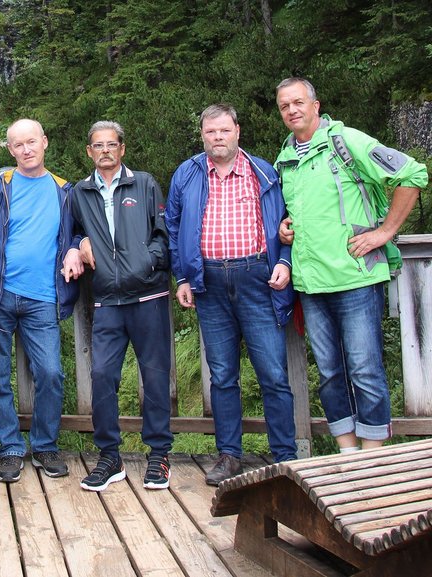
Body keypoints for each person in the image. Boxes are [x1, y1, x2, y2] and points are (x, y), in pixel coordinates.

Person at [275, 77, 428, 453]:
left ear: (315, 104)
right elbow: (298, 211)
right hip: (311, 284)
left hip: (356, 278)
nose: (292, 110)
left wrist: (385, 232)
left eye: (298, 102)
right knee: (329, 374)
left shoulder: (348, 142)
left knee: (365, 371)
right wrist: (284, 228)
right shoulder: (285, 159)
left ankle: (372, 457)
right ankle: (346, 451)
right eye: (284, 106)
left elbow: (412, 174)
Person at [165, 105, 298, 486]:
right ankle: (228, 455)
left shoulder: (263, 172)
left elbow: (289, 220)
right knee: (222, 375)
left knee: (273, 372)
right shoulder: (187, 174)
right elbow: (173, 229)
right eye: (210, 132)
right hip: (209, 283)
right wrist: (183, 278)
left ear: (237, 130)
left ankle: (285, 457)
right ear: (203, 135)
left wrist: (285, 260)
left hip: (258, 277)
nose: (217, 137)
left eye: (224, 130)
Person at [0, 119, 80, 483]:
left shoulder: (65, 191)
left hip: (43, 297)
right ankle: (11, 447)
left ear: (44, 142)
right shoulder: (0, 187)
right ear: (10, 150)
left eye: (32, 142)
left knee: (50, 372)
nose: (26, 149)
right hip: (0, 297)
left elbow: (80, 230)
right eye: (18, 145)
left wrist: (77, 248)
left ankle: (45, 444)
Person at [62, 121, 173, 491]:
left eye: (112, 144)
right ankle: (109, 456)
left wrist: (148, 263)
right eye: (98, 145)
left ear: (122, 149)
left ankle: (158, 454)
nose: (105, 150)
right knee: (102, 377)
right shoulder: (80, 191)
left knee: (155, 377)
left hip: (148, 296)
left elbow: (162, 233)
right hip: (107, 298)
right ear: (89, 151)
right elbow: (71, 231)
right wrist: (78, 244)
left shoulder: (144, 183)